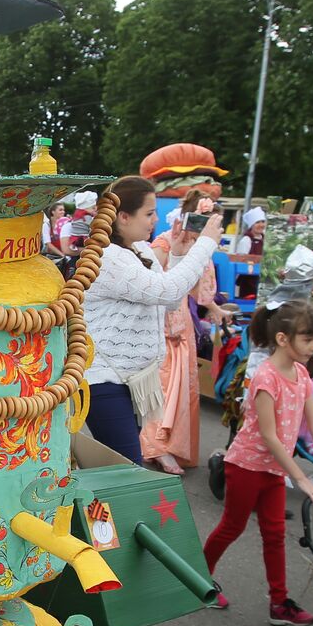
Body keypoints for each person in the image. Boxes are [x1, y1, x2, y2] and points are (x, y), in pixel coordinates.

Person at [204, 301, 313, 624]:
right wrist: (300, 477)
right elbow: (270, 436)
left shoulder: (300, 373)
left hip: (274, 468)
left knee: (274, 533)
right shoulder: (266, 378)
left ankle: (279, 603)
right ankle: (198, 581)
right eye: (308, 339)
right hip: (246, 466)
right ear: (284, 339)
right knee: (232, 526)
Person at [82, 175, 222, 465]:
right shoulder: (108, 258)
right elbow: (168, 289)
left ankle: (101, 511)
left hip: (130, 379)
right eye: (148, 213)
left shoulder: (140, 250)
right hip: (104, 380)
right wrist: (205, 244)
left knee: (121, 470)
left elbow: (169, 300)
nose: (154, 220)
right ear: (122, 217)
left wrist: (181, 253)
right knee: (128, 468)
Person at [141, 191, 230, 473]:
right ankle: (156, 447)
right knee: (163, 388)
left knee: (184, 388)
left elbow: (196, 289)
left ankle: (175, 445)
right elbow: (157, 283)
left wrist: (215, 310)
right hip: (164, 320)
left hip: (184, 323)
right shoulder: (166, 242)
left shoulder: (198, 246)